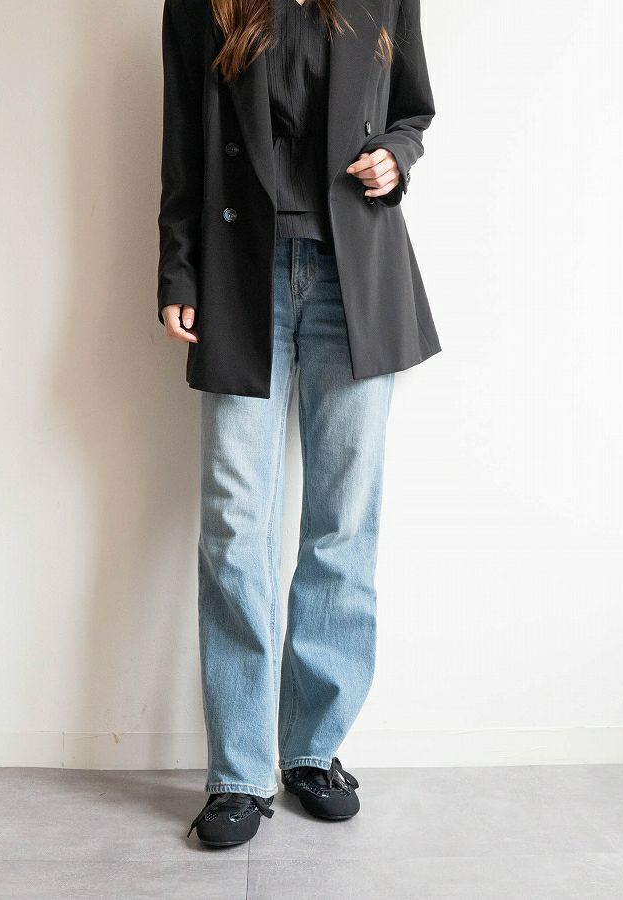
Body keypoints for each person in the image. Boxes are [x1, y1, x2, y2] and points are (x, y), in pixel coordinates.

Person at [158, 0, 439, 848]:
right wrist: (178, 270)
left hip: (356, 278)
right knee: (233, 524)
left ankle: (314, 750)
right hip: (240, 279)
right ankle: (239, 773)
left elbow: (413, 109)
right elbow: (182, 137)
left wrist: (396, 157)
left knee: (341, 524)